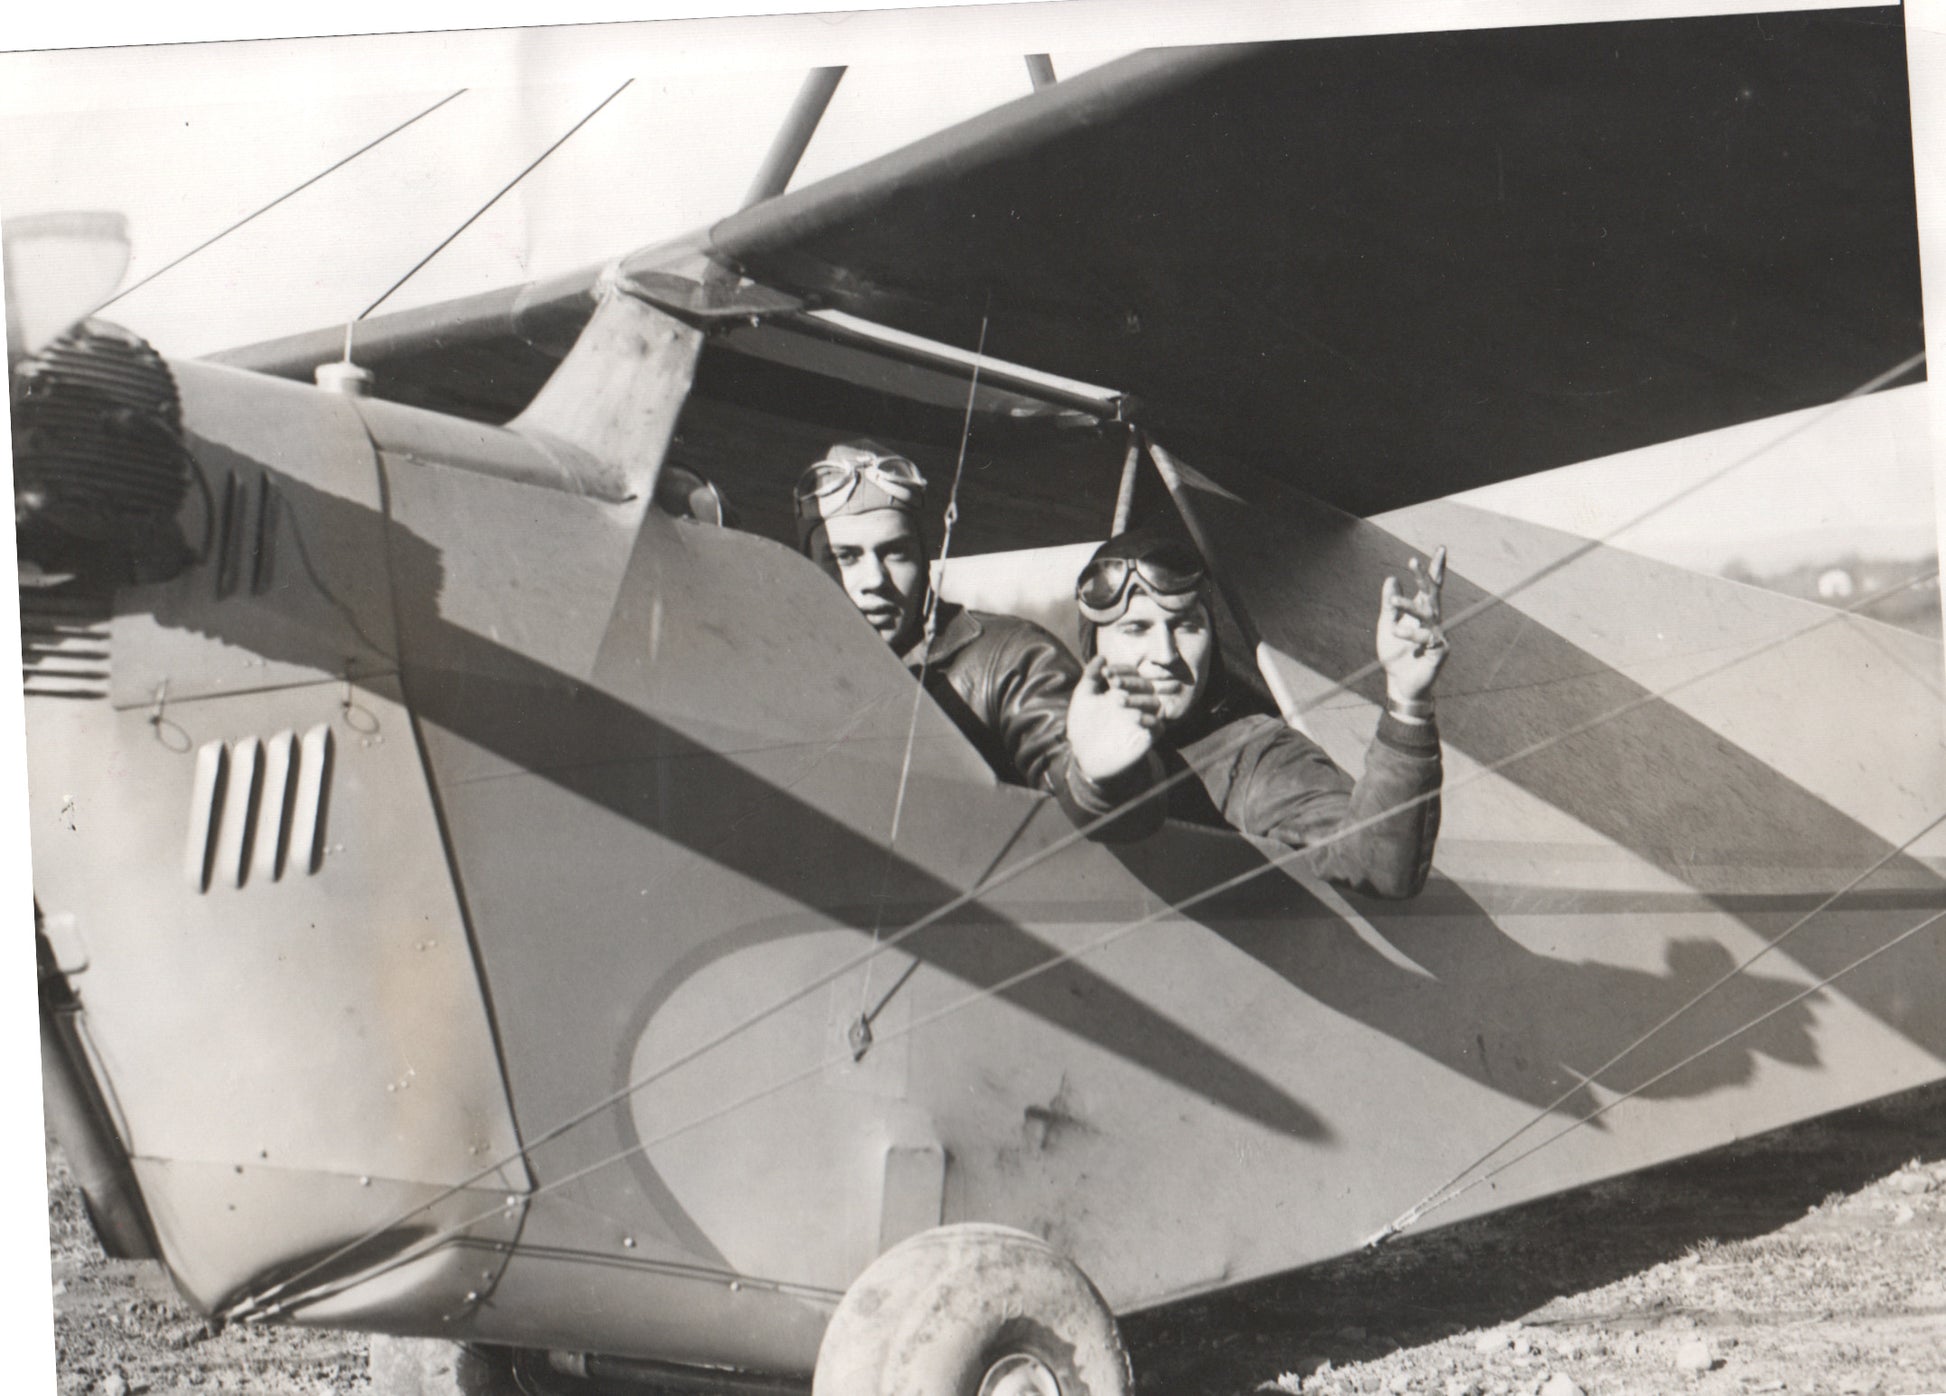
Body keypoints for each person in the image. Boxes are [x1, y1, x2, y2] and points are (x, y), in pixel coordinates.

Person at [1060, 529, 1446, 898]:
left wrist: (1407, 700)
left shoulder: (1256, 758)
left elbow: (1377, 864)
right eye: (1136, 629)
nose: (1166, 655)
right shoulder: (1052, 734)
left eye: (1186, 626)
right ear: (1095, 647)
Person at [796, 440, 1115, 797]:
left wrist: (1095, 775)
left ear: (925, 557)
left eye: (896, 553)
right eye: (845, 557)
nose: (874, 581)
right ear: (804, 564)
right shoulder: (778, 666)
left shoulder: (1012, 659)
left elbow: (1073, 778)